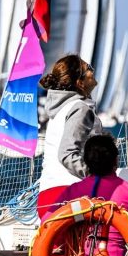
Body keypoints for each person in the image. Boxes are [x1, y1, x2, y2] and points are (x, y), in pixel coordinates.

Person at [38, 54, 104, 216]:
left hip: (48, 198)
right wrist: (97, 176)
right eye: (89, 68)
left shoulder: (60, 109)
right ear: (80, 83)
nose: (93, 70)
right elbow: (66, 154)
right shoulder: (79, 108)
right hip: (68, 197)